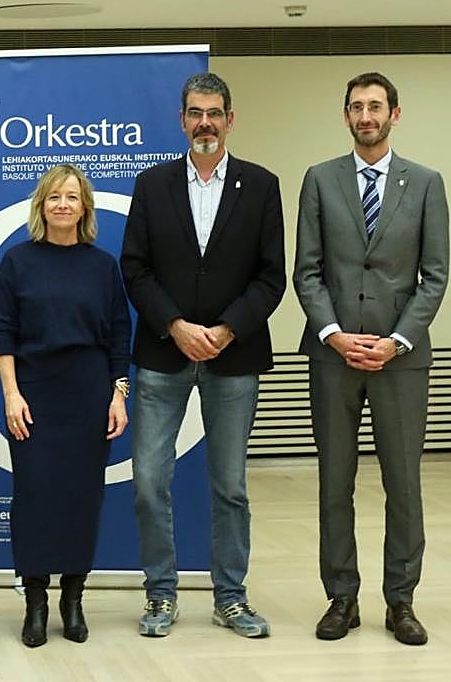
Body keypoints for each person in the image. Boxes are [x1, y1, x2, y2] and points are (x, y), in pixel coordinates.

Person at [120, 72, 285, 639]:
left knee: (230, 486)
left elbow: (271, 276)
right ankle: (160, 594)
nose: (205, 123)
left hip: (233, 357)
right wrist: (175, 325)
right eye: (196, 113)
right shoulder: (152, 184)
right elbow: (135, 268)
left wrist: (227, 329)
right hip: (164, 352)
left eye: (215, 113)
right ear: (182, 119)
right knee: (149, 482)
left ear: (230, 119)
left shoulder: (261, 186)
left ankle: (230, 598)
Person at [293, 72, 449, 646]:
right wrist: (334, 334)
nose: (366, 116)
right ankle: (342, 598)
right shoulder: (320, 179)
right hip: (333, 357)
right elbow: (307, 271)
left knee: (403, 484)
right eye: (356, 107)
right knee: (335, 481)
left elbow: (435, 276)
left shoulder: (426, 183)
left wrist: (397, 340)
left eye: (375, 106)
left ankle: (401, 601)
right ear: (346, 116)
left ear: (394, 114)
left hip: (400, 360)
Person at [0, 164, 131, 648]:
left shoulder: (102, 265)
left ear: (85, 207)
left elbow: (119, 335)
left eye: (72, 197)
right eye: (54, 197)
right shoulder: (17, 261)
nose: (63, 204)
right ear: (42, 205)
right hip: (33, 395)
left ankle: (73, 600)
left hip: (89, 395)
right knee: (33, 497)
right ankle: (35, 603)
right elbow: (3, 332)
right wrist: (11, 394)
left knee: (81, 499)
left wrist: (118, 395)